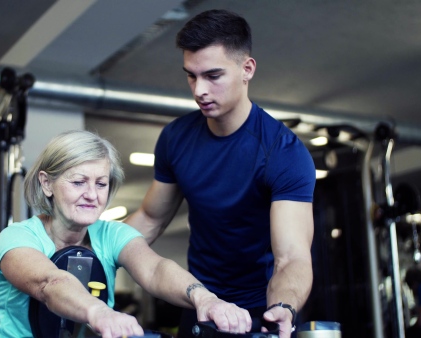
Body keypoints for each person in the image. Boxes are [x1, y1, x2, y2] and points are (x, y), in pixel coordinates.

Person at [125, 9, 316, 338]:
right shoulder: (176, 138)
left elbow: (291, 258)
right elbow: (150, 219)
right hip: (200, 305)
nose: (199, 90)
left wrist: (283, 308)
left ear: (247, 69)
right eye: (191, 75)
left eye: (213, 75)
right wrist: (89, 252)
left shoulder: (284, 153)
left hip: (262, 311)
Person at [0, 130, 253, 338]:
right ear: (47, 183)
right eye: (79, 182)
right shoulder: (17, 238)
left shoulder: (112, 234)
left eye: (101, 184)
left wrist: (204, 298)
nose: (92, 195)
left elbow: (155, 269)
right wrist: (100, 313)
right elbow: (50, 283)